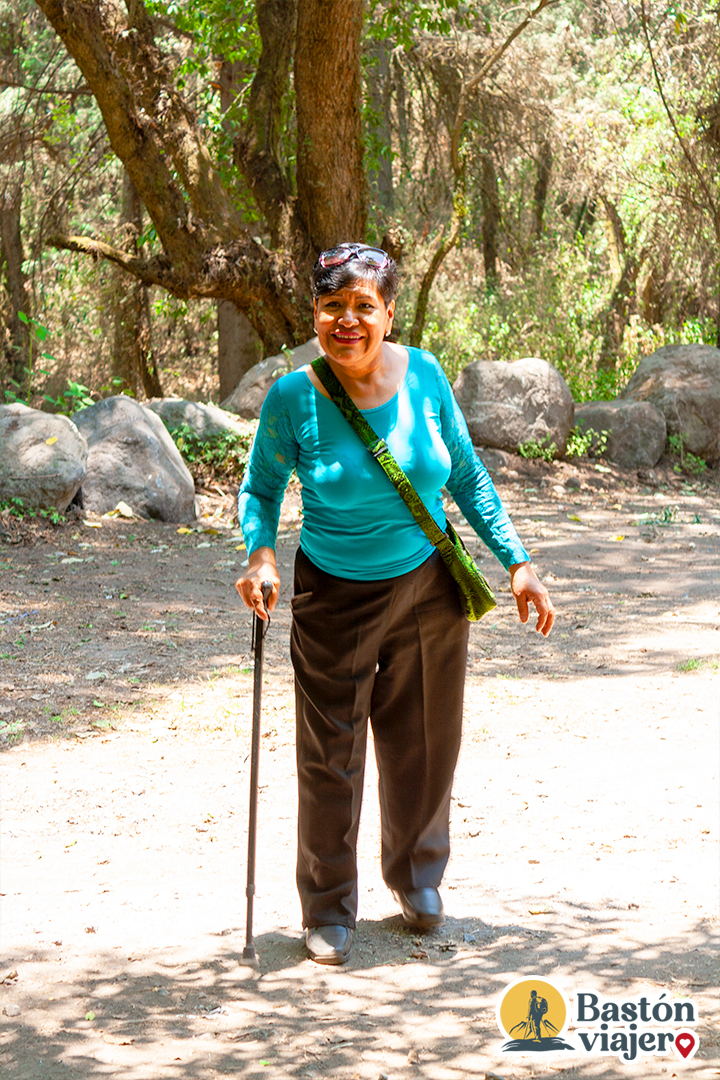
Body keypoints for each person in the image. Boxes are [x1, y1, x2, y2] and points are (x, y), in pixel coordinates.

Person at [235, 241, 554, 965]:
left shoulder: (427, 375)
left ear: (388, 312)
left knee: (425, 741)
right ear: (314, 312)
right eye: (332, 307)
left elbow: (467, 476)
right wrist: (258, 553)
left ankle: (416, 879)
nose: (347, 321)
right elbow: (259, 490)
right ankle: (327, 906)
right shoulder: (293, 398)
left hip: (428, 588)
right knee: (330, 756)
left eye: (362, 307)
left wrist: (518, 563)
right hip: (333, 595)